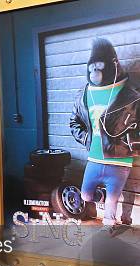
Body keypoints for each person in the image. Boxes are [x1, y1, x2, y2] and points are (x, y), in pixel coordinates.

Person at [70, 38, 139, 230]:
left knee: (113, 199)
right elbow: (74, 122)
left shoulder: (132, 94)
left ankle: (110, 224)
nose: (94, 72)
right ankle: (101, 200)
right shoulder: (83, 94)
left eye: (99, 66)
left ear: (113, 65)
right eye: (91, 67)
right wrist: (88, 139)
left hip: (119, 160)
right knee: (85, 195)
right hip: (94, 157)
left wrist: (130, 143)